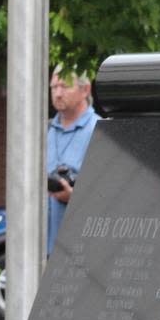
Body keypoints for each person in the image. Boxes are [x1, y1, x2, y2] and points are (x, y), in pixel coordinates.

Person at [46, 68, 99, 256]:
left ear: (85, 90)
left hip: (83, 252)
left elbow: (114, 193)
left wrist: (75, 197)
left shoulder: (100, 131)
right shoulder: (46, 131)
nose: (58, 93)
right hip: (43, 251)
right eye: (54, 87)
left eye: (65, 86)